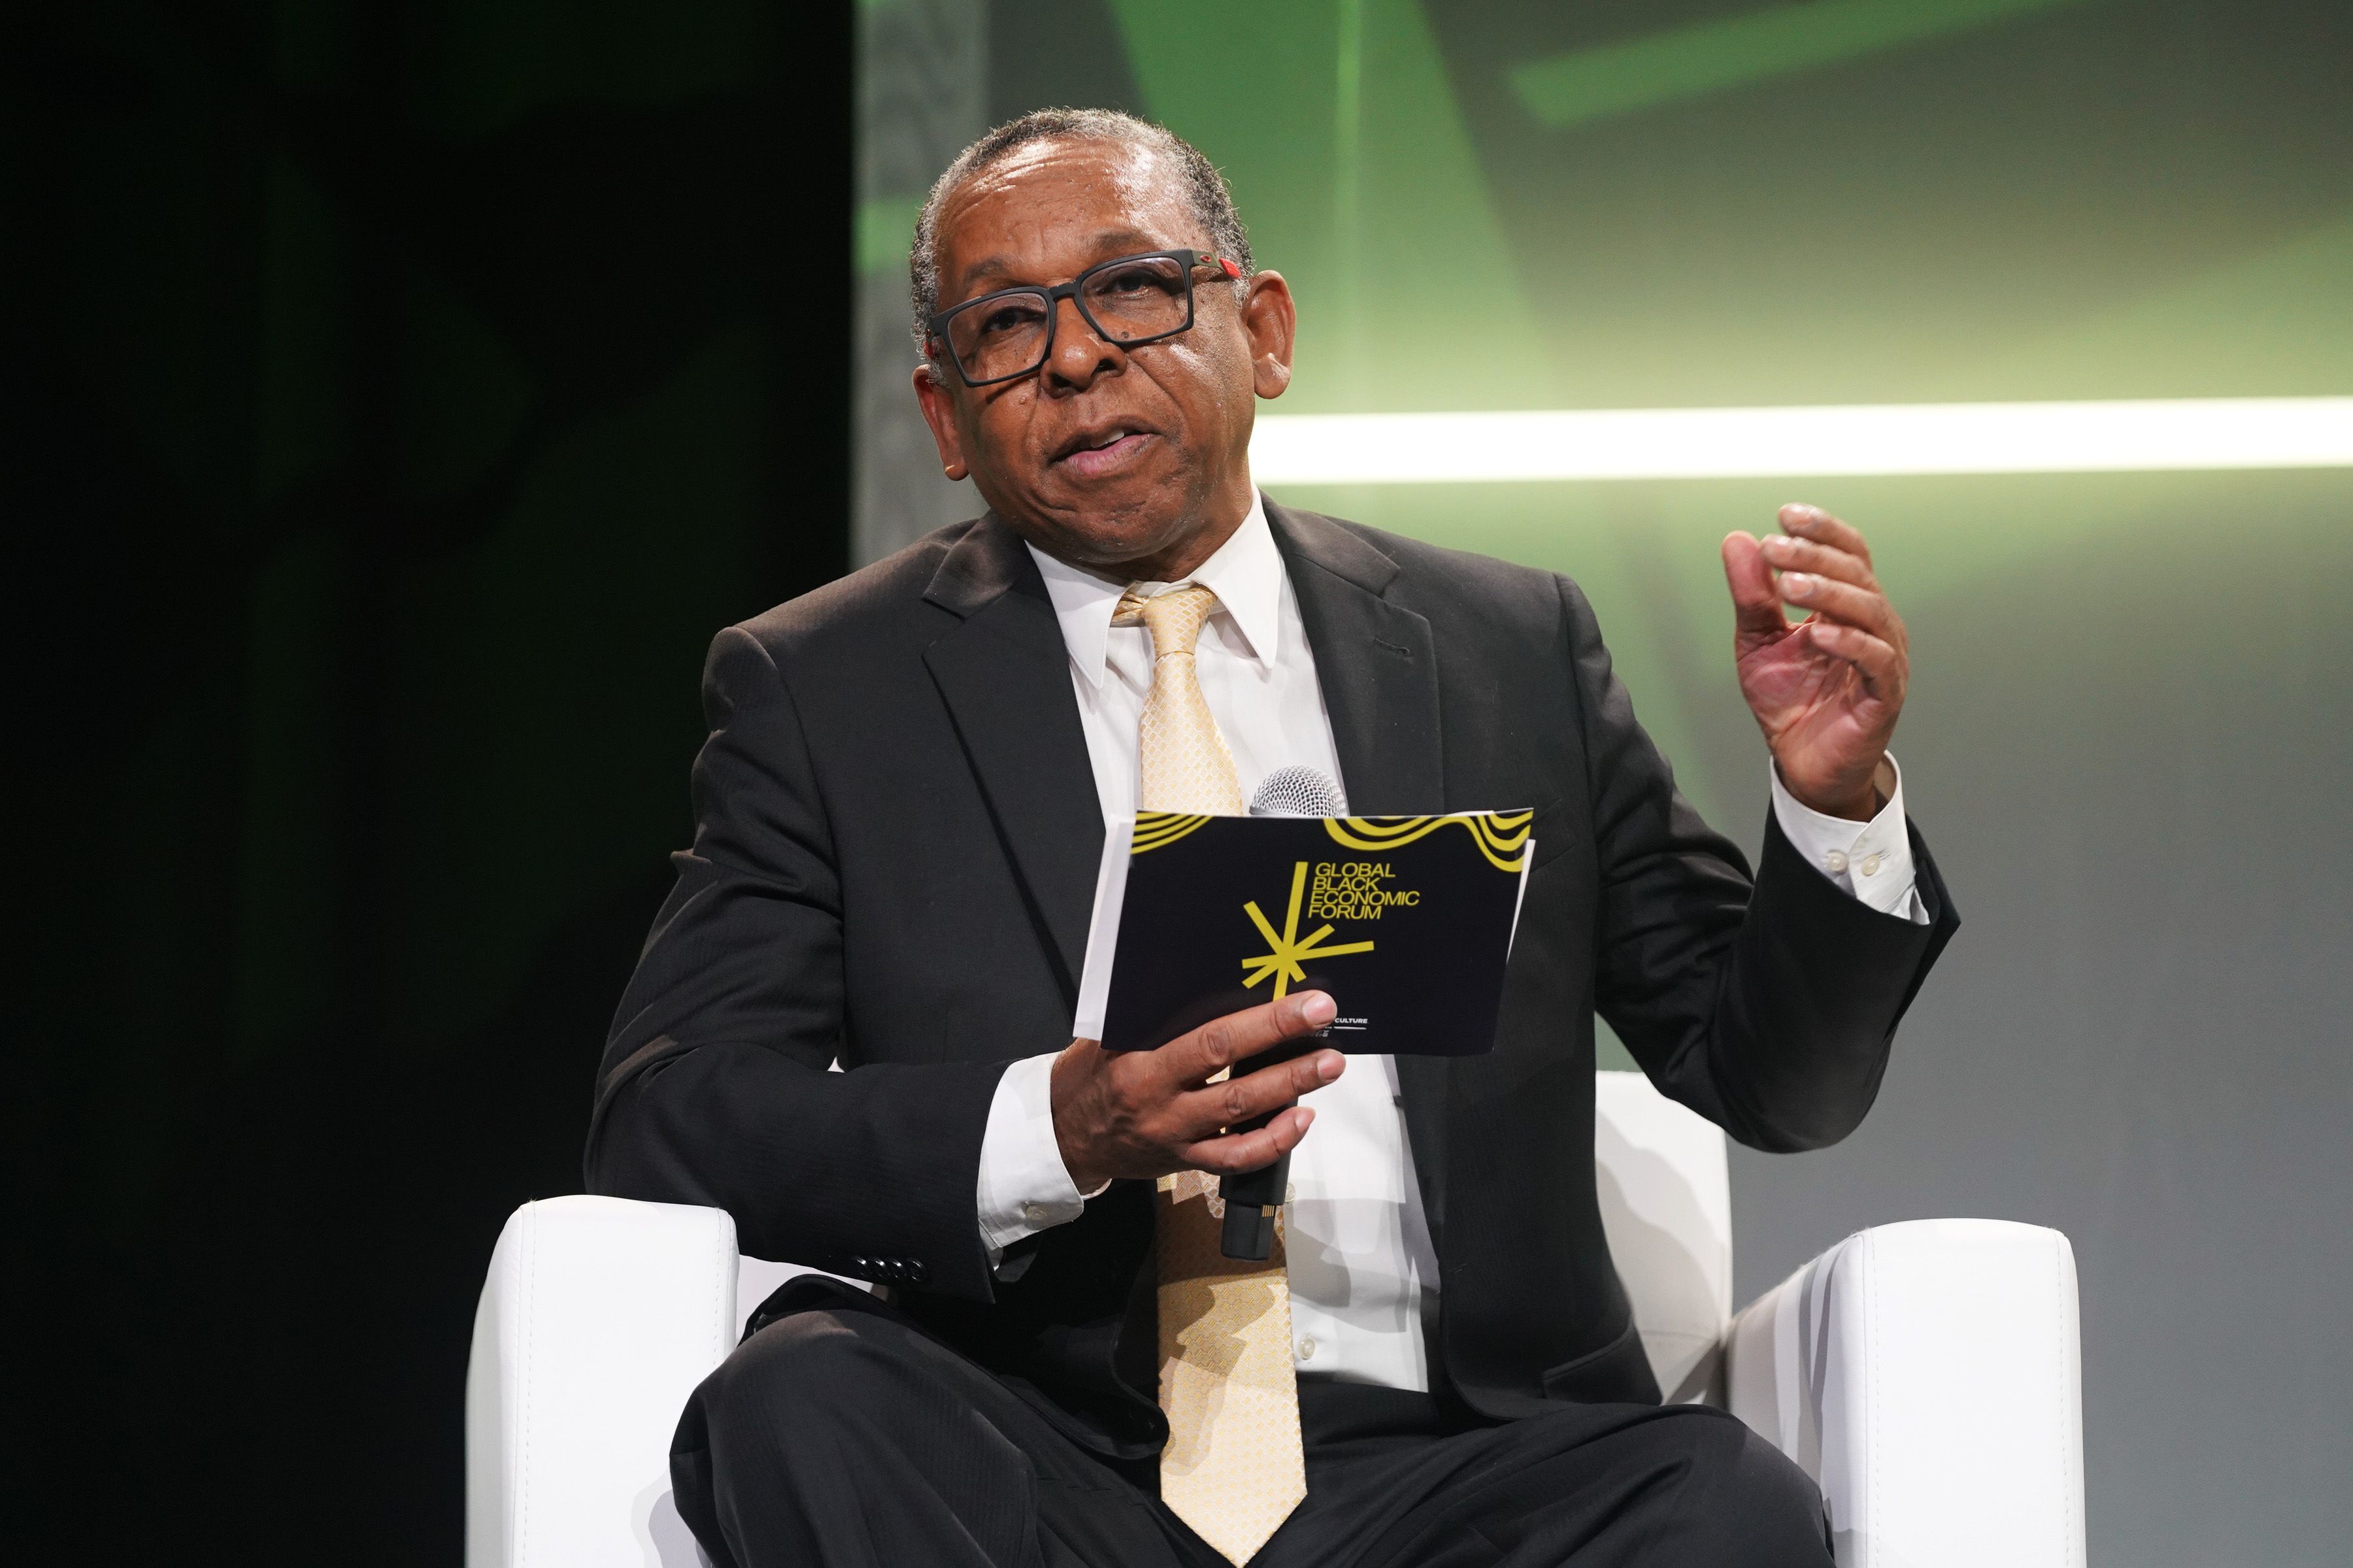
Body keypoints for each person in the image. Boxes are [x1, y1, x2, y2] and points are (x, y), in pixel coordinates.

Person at [588, 108, 1957, 1568]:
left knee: (1725, 1508)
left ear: (1266, 328)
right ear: (942, 414)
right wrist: (1062, 1127)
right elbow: (671, 1116)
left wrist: (1833, 805)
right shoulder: (827, 687)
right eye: (1005, 325)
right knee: (798, 1402)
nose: (1073, 357)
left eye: (1131, 288)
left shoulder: (1501, 645)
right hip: (1046, 1456)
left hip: (1461, 1469)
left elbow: (1768, 1082)